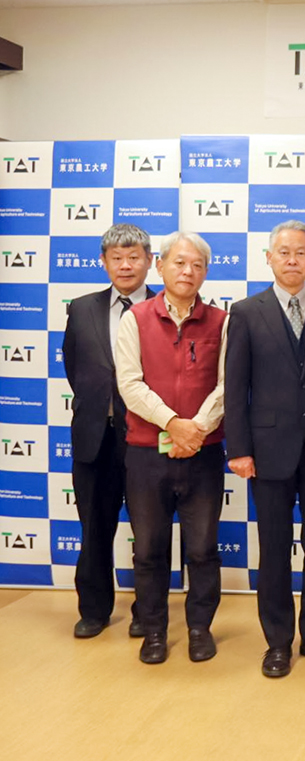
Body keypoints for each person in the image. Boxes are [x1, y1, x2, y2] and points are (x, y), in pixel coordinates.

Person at [225, 220, 305, 678]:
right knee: (274, 549)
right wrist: (239, 448)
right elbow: (235, 386)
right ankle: (277, 642)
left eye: (301, 252)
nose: (292, 260)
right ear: (269, 258)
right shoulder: (245, 312)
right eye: (284, 252)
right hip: (267, 451)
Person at [116, 231, 228, 664]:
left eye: (197, 265)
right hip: (147, 454)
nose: (188, 271)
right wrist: (172, 424)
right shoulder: (135, 318)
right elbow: (130, 384)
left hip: (203, 453)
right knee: (148, 550)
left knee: (202, 550)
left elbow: (227, 385)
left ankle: (200, 628)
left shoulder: (221, 321)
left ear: (206, 272)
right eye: (179, 263)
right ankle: (154, 631)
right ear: (160, 266)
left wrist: (195, 429)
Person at [63, 224, 154, 639]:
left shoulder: (165, 307)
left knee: (149, 532)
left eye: (134, 257)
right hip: (94, 437)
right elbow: (74, 367)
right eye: (116, 258)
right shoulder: (82, 309)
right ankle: (94, 610)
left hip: (146, 439)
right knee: (94, 529)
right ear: (103, 262)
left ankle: (147, 612)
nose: (125, 265)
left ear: (149, 261)